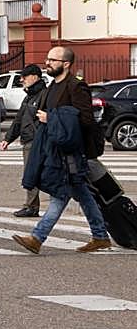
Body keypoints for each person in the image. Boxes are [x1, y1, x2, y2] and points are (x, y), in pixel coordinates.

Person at [13, 45, 112, 254]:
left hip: (71, 153)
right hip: (56, 150)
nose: (47, 63)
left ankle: (37, 238)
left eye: (53, 60)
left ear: (66, 64)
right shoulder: (51, 87)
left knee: (61, 194)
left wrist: (52, 118)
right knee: (82, 194)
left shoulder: (76, 87)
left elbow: (85, 120)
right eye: (48, 59)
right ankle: (101, 236)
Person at [2, 64, 45, 217]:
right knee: (32, 173)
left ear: (35, 77)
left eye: (24, 77)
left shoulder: (43, 95)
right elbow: (19, 119)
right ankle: (32, 205)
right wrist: (8, 138)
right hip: (27, 140)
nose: (22, 80)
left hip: (37, 141)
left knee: (33, 173)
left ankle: (32, 206)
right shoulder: (29, 96)